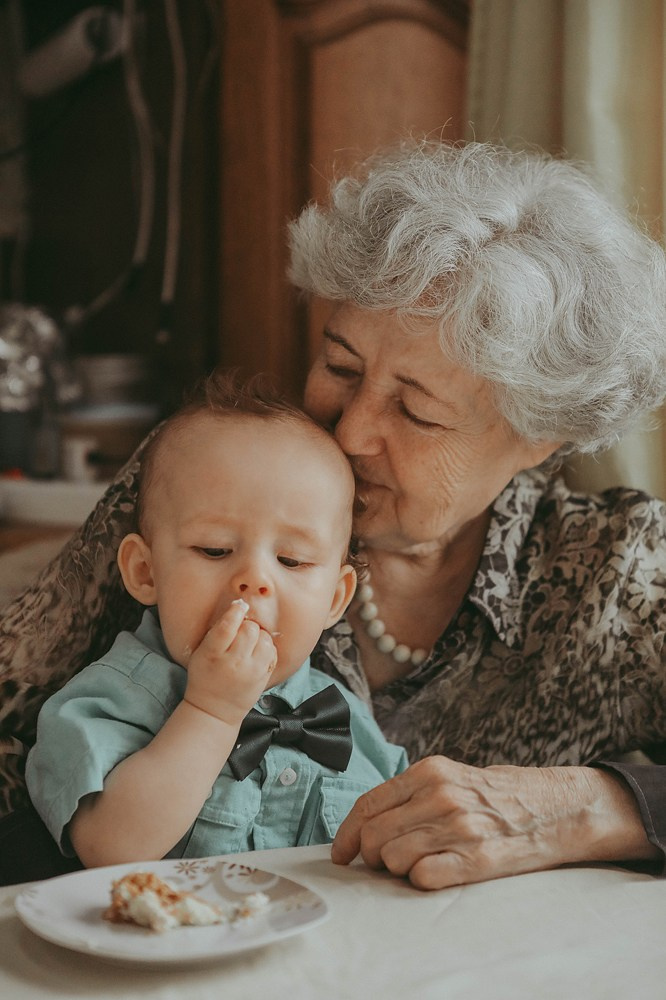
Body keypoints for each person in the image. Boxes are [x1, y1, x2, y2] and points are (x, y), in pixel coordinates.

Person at [1, 138, 665, 888]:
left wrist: (594, 807)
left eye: (416, 411)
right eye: (341, 366)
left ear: (539, 437)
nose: (349, 432)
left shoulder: (617, 575)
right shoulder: (208, 476)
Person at [24, 374, 407, 868]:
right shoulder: (109, 701)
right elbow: (108, 848)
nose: (255, 579)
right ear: (145, 572)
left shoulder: (344, 721)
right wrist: (211, 712)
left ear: (335, 598)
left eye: (291, 560)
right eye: (215, 549)